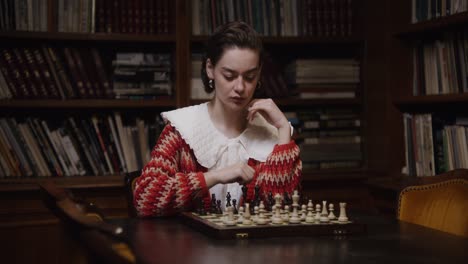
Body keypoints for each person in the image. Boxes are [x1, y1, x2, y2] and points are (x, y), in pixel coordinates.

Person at [134, 21, 302, 217]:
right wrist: (214, 177)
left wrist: (282, 128)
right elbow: (144, 199)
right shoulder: (182, 130)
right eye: (229, 75)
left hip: (254, 248)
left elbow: (283, 211)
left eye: (250, 77)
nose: (240, 87)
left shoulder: (275, 137)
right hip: (190, 247)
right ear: (210, 69)